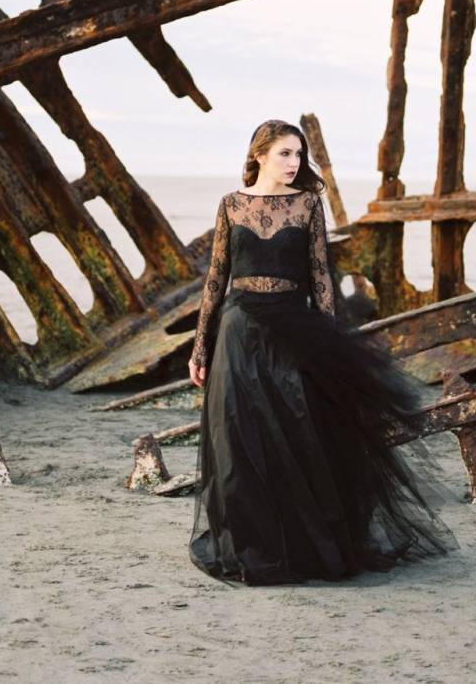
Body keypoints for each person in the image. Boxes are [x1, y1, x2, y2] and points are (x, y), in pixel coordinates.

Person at [187, 119, 460, 586]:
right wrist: (200, 347)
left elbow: (321, 280)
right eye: (285, 154)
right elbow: (216, 280)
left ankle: (305, 547)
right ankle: (253, 547)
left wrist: (330, 346)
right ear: (259, 156)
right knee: (237, 440)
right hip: (237, 331)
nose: (294, 164)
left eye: (298, 155)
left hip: (294, 328)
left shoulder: (309, 205)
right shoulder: (231, 206)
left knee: (299, 437)